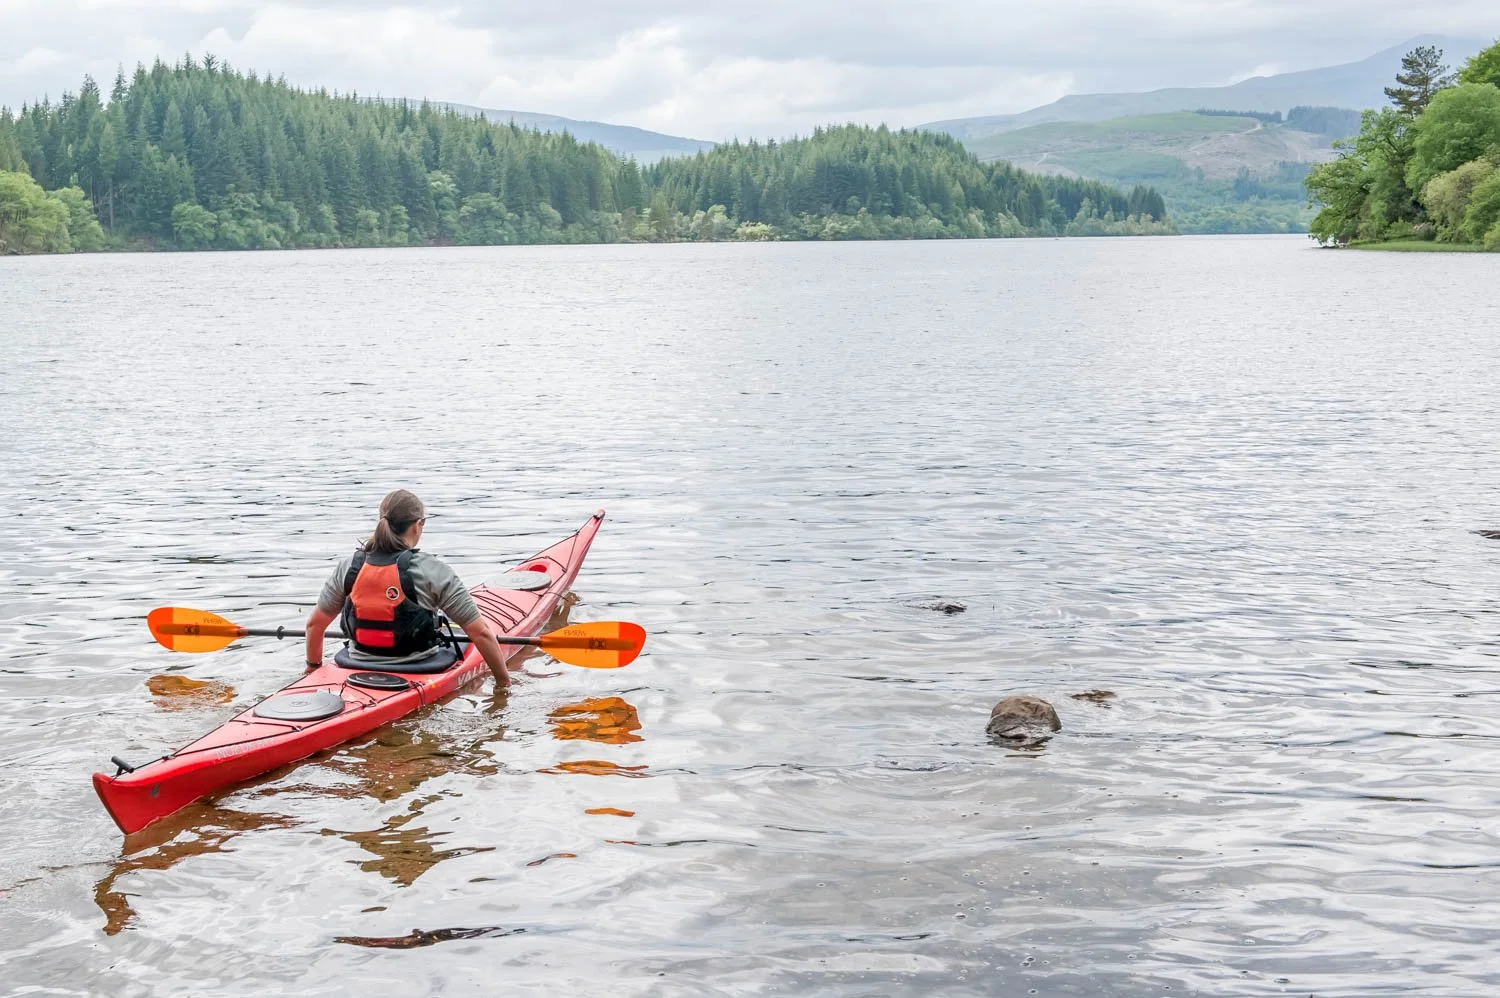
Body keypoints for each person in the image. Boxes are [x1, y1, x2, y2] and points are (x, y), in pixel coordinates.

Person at [303, 489, 516, 687]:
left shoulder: (349, 567)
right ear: (418, 525)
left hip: (356, 661)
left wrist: (313, 669)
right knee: (465, 645)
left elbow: (314, 625)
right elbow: (480, 633)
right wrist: (504, 685)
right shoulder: (432, 569)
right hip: (418, 664)